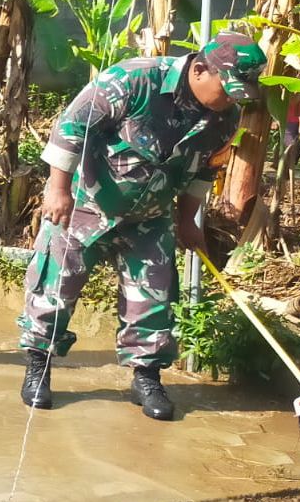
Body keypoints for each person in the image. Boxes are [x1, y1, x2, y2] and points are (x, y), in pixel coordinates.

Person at [18, 31, 268, 420]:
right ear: (200, 69)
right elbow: (71, 127)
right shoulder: (134, 80)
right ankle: (39, 366)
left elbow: (203, 170)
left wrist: (187, 220)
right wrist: (58, 189)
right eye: (228, 88)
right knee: (56, 287)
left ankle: (145, 377)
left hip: (150, 216)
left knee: (153, 300)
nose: (232, 99)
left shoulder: (224, 117)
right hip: (86, 205)